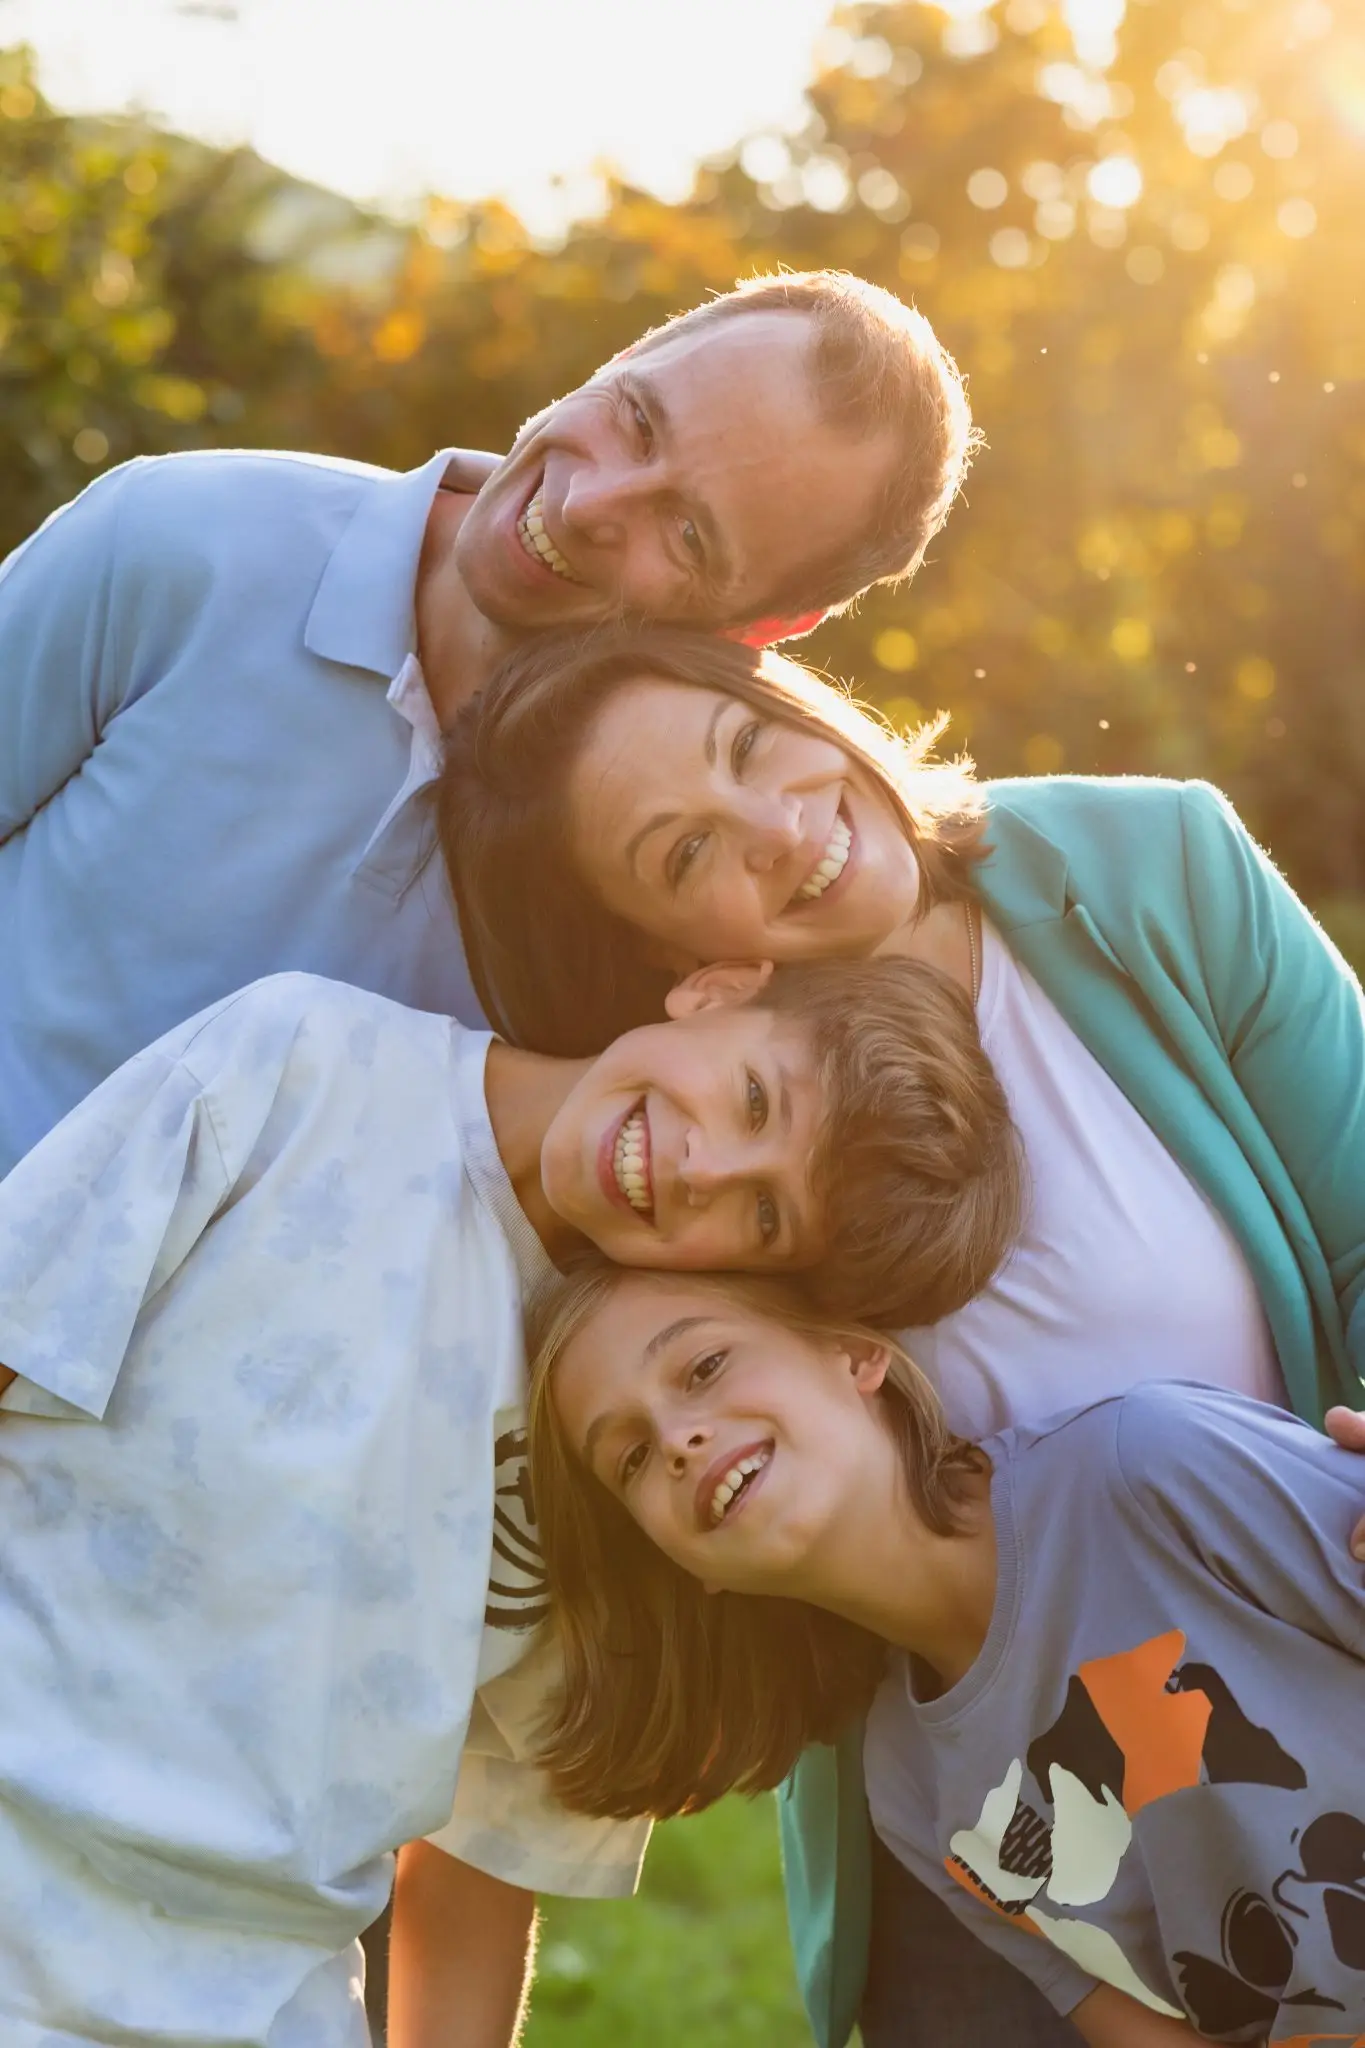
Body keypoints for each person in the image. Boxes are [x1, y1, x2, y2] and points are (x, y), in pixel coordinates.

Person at [439, 620, 1365, 2048]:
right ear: (683, 966)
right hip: (996, 1794)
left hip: (1294, 1655)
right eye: (684, 856)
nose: (773, 826)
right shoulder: (688, 1164)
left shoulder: (1149, 873)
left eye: (749, 747)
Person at [0, 949, 1017, 2048]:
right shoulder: (306, 1064)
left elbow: (485, 1859)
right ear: (719, 988)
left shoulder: (636, 1433)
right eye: (756, 1095)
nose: (702, 1163)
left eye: (766, 1214)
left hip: (252, 2008)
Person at [0, 268, 972, 1178]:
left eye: (687, 533)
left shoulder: (691, 893)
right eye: (635, 418)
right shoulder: (185, 533)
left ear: (764, 625)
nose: (592, 500)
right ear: (622, 356)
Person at [527, 1262, 1365, 2048]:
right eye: (631, 1456)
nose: (677, 1437)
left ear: (854, 1353)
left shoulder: (1147, 1466)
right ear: (683, 1568)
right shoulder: (908, 1792)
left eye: (704, 1366)